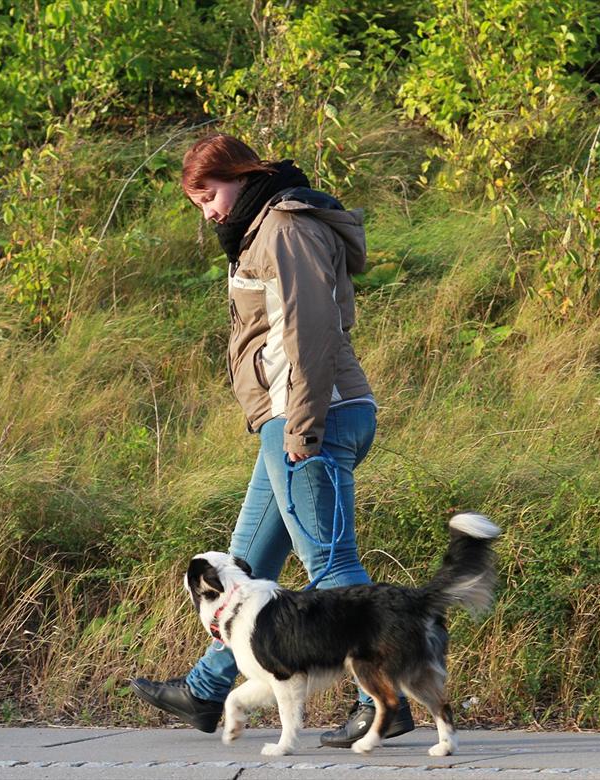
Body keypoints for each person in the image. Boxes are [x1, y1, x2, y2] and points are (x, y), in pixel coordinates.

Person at [130, 133, 414, 748]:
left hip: (314, 415)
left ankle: (384, 703)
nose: (207, 210)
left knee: (331, 562)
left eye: (209, 194)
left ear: (240, 174)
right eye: (196, 201)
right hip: (287, 418)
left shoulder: (285, 226)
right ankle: (208, 691)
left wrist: (303, 425)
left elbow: (306, 331)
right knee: (246, 562)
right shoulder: (261, 226)